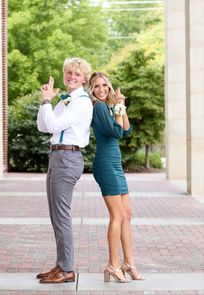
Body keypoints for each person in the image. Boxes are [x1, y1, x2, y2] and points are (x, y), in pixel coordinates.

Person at [36, 57, 92, 284]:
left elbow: (55, 125)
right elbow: (43, 126)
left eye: (77, 74)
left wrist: (49, 102)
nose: (72, 77)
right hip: (57, 155)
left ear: (84, 79)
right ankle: (61, 265)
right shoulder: (66, 100)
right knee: (55, 215)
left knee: (61, 216)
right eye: (69, 73)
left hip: (68, 157)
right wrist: (45, 102)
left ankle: (67, 269)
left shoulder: (81, 102)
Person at [88, 72, 144, 283]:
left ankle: (128, 263)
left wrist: (121, 105)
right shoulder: (99, 107)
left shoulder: (109, 106)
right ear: (91, 90)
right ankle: (113, 264)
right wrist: (117, 108)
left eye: (105, 85)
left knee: (127, 214)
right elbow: (117, 133)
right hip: (105, 164)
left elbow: (127, 129)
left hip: (115, 164)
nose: (101, 89)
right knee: (117, 216)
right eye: (96, 86)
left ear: (110, 87)